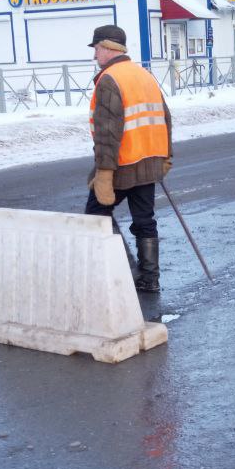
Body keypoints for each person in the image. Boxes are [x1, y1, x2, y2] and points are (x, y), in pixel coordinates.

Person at [84, 24, 173, 294]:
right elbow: (165, 118)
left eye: (97, 48)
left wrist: (104, 174)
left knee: (96, 215)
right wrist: (166, 155)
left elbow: (107, 134)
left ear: (109, 48)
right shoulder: (143, 75)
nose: (95, 55)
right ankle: (149, 278)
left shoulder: (110, 79)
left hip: (122, 163)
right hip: (149, 160)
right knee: (144, 219)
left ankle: (126, 270)